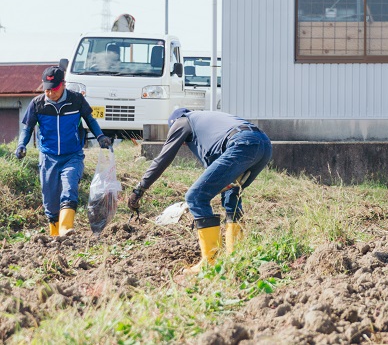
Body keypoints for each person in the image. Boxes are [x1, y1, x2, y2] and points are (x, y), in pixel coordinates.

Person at [127, 108, 272, 273]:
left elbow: (163, 159)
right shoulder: (206, 124)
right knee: (232, 196)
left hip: (242, 144)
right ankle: (236, 257)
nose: (183, 143)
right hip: (263, 144)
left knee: (195, 196)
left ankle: (210, 262)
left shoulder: (182, 121)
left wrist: (140, 189)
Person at [15, 66, 113, 236]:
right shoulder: (38, 104)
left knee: (69, 188)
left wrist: (100, 136)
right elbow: (27, 128)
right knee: (50, 200)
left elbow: (90, 120)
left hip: (72, 155)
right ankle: (55, 235)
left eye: (53, 89)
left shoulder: (76, 100)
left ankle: (66, 229)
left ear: (63, 84)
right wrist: (21, 145)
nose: (50, 93)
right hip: (48, 157)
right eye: (46, 89)